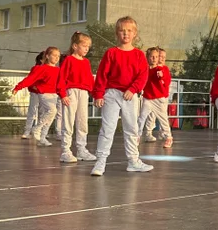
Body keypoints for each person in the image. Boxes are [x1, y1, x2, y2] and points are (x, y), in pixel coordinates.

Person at [90, 17, 153, 175]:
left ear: (134, 34)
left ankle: (133, 161)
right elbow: (102, 75)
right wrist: (98, 94)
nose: (125, 34)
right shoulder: (111, 53)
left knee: (131, 128)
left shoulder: (139, 55)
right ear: (117, 34)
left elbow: (143, 76)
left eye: (129, 31)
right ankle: (100, 162)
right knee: (107, 128)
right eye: (122, 31)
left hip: (130, 96)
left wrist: (133, 89)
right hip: (111, 94)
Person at [57, 32, 95, 164]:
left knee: (82, 122)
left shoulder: (86, 62)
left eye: (88, 46)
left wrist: (96, 95)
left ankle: (81, 149)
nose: (86, 49)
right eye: (84, 45)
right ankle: (65, 150)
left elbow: (90, 80)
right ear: (75, 46)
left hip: (83, 93)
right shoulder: (68, 60)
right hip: (71, 92)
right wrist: (63, 94)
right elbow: (61, 78)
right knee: (68, 122)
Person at [12, 47, 61, 147]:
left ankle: (43, 137)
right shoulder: (41, 68)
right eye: (54, 55)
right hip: (44, 94)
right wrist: (19, 87)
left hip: (54, 94)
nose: (57, 58)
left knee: (50, 116)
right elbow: (30, 79)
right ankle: (36, 128)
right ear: (47, 56)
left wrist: (64, 95)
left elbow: (62, 83)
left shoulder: (58, 70)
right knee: (52, 111)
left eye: (58, 56)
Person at [141, 47, 174, 149]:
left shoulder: (162, 69)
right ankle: (138, 135)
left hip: (159, 98)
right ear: (149, 57)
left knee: (163, 118)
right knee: (142, 117)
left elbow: (166, 81)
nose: (156, 58)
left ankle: (168, 137)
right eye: (153, 56)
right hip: (148, 98)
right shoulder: (145, 69)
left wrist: (162, 76)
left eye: (157, 56)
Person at [21, 50, 46, 139]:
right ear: (41, 60)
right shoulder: (36, 68)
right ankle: (27, 131)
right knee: (32, 111)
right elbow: (30, 79)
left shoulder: (50, 68)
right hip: (35, 92)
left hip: (44, 93)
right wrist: (34, 87)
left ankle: (39, 132)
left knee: (42, 113)